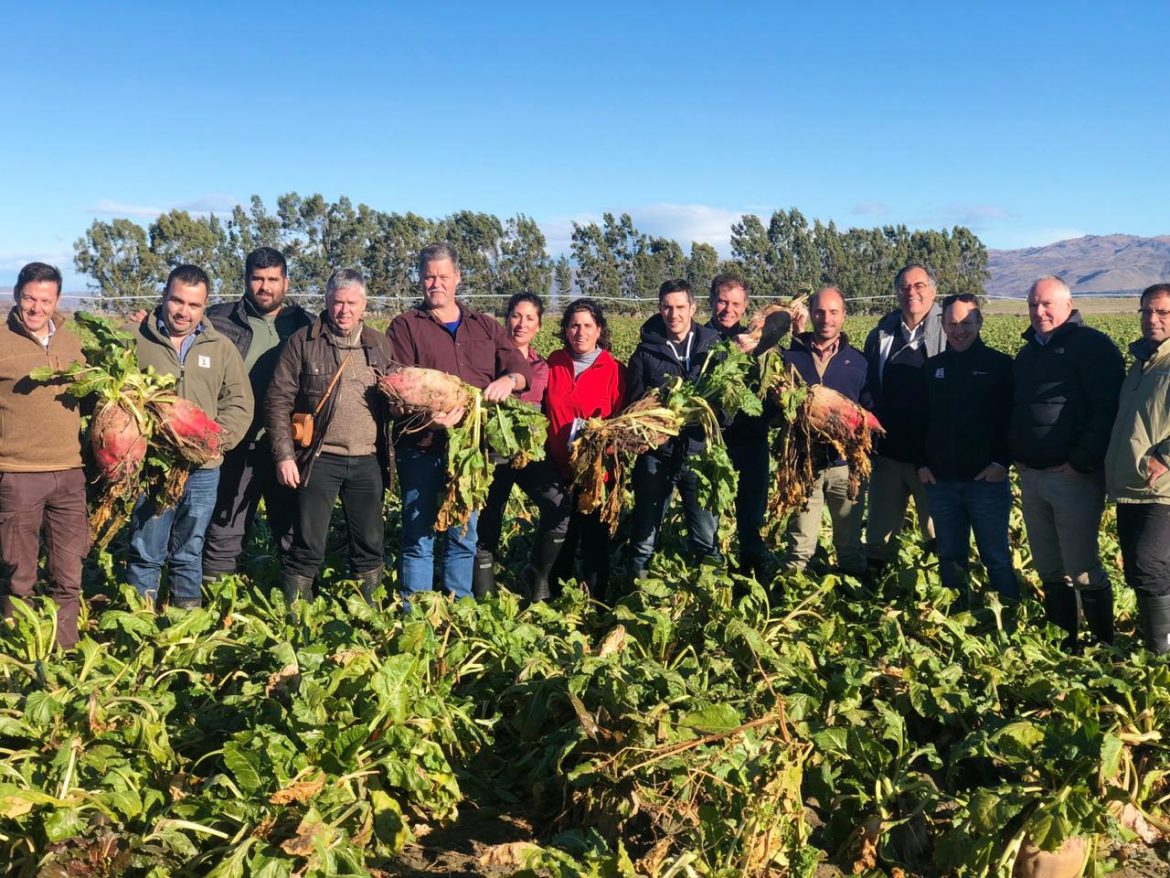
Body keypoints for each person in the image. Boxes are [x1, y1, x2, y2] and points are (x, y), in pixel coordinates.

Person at [387, 243, 531, 599]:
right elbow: (397, 388)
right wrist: (432, 421)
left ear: (457, 279)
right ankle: (417, 612)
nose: (436, 283)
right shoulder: (405, 326)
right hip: (422, 447)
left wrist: (508, 380)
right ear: (420, 280)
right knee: (419, 536)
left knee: (462, 535)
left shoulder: (484, 326)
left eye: (443, 276)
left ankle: (457, 609)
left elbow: (521, 369)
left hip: (471, 451)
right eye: (429, 277)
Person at [265, 268, 396, 603]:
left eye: (352, 303)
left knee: (369, 543)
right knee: (307, 543)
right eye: (338, 302)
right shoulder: (303, 341)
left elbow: (397, 395)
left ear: (364, 305)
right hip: (320, 459)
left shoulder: (378, 344)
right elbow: (278, 399)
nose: (344, 310)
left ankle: (368, 612)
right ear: (326, 301)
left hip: (367, 459)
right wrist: (284, 455)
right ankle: (297, 614)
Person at [128, 265, 253, 608]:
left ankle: (186, 622)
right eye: (177, 301)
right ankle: (139, 622)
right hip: (155, 467)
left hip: (203, 469)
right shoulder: (136, 339)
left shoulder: (221, 347)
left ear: (205, 306)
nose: (184, 311)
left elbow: (239, 402)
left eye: (193, 305)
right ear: (164, 297)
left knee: (189, 549)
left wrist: (215, 442)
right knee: (146, 549)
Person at [1011, 275, 1124, 649]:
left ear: (1068, 304)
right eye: (1032, 305)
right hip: (1033, 477)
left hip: (1072, 478)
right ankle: (1065, 644)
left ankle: (1105, 645)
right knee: (1048, 566)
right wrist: (1018, 455)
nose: (1039, 312)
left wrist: (1080, 462)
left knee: (1082, 566)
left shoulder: (1092, 346)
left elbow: (1106, 409)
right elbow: (1019, 409)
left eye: (1046, 304)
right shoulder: (1029, 352)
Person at [203, 247, 312, 578]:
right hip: (235, 442)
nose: (265, 287)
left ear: (286, 282)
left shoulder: (303, 325)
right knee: (225, 527)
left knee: (293, 529)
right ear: (246, 280)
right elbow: (175, 323)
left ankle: (298, 608)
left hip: (288, 447)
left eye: (273, 280)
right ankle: (216, 603)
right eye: (258, 279)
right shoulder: (218, 320)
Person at [0, 263, 88, 648]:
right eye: (29, 298)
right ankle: (17, 654)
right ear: (17, 295)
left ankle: (63, 654)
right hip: (18, 474)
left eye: (45, 300)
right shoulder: (1, 340)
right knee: (18, 576)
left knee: (68, 577)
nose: (36, 308)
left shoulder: (73, 342)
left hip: (70, 474)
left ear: (58, 300)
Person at [915, 294, 1018, 605]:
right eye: (953, 323)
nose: (960, 330)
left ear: (980, 323)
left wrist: (1002, 462)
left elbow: (1011, 419)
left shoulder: (999, 365)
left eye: (966, 323)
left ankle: (1009, 616)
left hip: (985, 482)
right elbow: (920, 420)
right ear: (943, 326)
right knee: (950, 555)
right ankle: (958, 614)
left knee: (995, 555)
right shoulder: (932, 368)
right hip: (941, 483)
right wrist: (922, 464)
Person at [474, 292, 570, 601]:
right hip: (491, 453)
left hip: (530, 454)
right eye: (516, 315)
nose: (521, 324)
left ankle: (537, 573)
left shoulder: (543, 366)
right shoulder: (486, 361)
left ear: (539, 326)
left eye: (530, 318)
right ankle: (483, 597)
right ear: (506, 319)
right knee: (486, 522)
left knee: (560, 507)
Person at [625, 279, 722, 576]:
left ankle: (711, 595)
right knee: (644, 536)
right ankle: (635, 590)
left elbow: (727, 402)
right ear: (660, 309)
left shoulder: (713, 348)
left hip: (698, 454)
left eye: (681, 307)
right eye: (667, 307)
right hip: (657, 455)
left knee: (705, 536)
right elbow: (634, 403)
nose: (674, 314)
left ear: (693, 308)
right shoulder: (645, 352)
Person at [781, 286, 870, 577]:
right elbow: (774, 411)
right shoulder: (790, 357)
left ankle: (853, 598)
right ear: (811, 314)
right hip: (803, 465)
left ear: (844, 316)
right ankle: (795, 592)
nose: (826, 318)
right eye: (819, 311)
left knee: (849, 543)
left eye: (833, 312)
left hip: (845, 468)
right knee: (800, 543)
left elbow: (867, 413)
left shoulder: (858, 362)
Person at [863, 263, 946, 571]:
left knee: (937, 532)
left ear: (933, 291)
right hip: (888, 454)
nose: (912, 292)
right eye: (905, 287)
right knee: (878, 535)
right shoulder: (881, 334)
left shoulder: (949, 331)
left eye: (919, 286)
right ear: (897, 292)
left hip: (932, 458)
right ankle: (873, 598)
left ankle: (938, 599)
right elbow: (870, 385)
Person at [545, 298, 626, 598]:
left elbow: (622, 421)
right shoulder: (553, 363)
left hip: (597, 473)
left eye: (587, 325)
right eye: (574, 325)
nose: (580, 332)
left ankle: (594, 602)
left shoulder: (615, 370)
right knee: (560, 538)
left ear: (599, 329)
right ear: (565, 329)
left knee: (594, 541)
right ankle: (556, 598)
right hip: (557, 470)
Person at [1104, 283, 1170, 654]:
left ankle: (1162, 651)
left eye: (1162, 312)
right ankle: (1152, 643)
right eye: (1146, 311)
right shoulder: (1142, 364)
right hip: (1131, 482)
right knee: (1137, 569)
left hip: (1162, 485)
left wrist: (1165, 456)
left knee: (1149, 563)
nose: (1152, 319)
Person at [706, 273, 777, 581]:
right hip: (712, 444)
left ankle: (751, 576)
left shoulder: (756, 341)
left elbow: (770, 388)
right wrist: (730, 355)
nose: (728, 309)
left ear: (746, 306)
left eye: (736, 303)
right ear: (711, 301)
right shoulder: (699, 339)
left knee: (751, 515)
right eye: (722, 301)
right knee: (710, 514)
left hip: (752, 441)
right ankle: (714, 576)